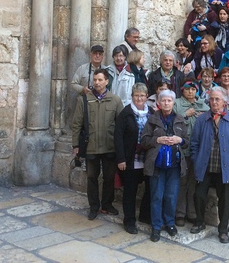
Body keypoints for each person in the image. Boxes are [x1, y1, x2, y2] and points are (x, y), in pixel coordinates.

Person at [190, 87, 229, 244]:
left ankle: (223, 230)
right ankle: (200, 221)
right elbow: (194, 143)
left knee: (225, 200)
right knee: (199, 195)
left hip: (226, 167)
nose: (214, 102)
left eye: (217, 99)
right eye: (212, 99)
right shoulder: (202, 119)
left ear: (225, 102)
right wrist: (196, 160)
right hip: (205, 166)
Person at [71, 68, 124, 220]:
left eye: (100, 80)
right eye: (95, 80)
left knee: (109, 177)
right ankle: (93, 206)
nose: (97, 82)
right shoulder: (84, 100)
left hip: (109, 146)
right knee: (92, 178)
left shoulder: (115, 100)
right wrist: (76, 145)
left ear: (107, 81)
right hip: (91, 146)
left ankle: (107, 204)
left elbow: (121, 126)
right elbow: (76, 124)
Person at [141, 90, 189, 242]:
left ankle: (170, 223)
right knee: (157, 195)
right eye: (164, 101)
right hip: (157, 163)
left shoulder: (180, 119)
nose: (166, 103)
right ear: (159, 103)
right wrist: (157, 140)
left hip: (174, 164)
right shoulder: (152, 120)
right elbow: (144, 140)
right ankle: (156, 226)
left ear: (173, 103)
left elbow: (187, 142)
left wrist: (179, 140)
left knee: (171, 195)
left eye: (169, 101)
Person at [114, 83, 154, 234]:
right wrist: (121, 159)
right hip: (131, 159)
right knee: (130, 191)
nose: (139, 98)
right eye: (136, 95)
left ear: (146, 97)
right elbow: (118, 137)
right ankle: (129, 221)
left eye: (142, 96)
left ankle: (144, 215)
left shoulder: (151, 112)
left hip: (147, 158)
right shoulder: (125, 113)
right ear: (132, 96)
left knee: (149, 188)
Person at [173, 80, 210, 226]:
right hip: (181, 150)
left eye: (193, 89)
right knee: (181, 182)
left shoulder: (202, 105)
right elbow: (172, 121)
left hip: (197, 150)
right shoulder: (177, 103)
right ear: (183, 90)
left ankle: (192, 213)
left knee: (194, 182)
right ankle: (179, 213)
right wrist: (185, 115)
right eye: (187, 89)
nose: (190, 92)